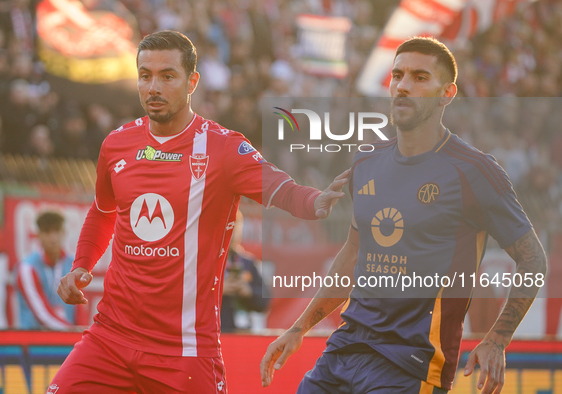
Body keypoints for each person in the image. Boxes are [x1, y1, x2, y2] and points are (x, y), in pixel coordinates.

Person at [50, 30, 348, 394]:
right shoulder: (117, 144)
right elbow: (102, 210)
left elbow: (278, 186)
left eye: (167, 76)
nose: (153, 87)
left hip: (185, 352)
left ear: (192, 81)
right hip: (110, 338)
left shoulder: (222, 147)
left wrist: (314, 201)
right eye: (145, 75)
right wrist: (82, 264)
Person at [260, 36, 547, 394]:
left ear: (448, 92)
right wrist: (299, 328)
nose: (404, 86)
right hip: (343, 352)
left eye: (420, 77)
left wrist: (497, 339)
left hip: (411, 366)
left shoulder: (475, 171)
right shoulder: (366, 161)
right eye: (398, 75)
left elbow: (533, 260)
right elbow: (351, 255)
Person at [16, 210, 75, 330]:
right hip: (34, 343)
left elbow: (80, 307)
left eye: (56, 231)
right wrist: (74, 333)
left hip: (68, 344)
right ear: (38, 235)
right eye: (47, 232)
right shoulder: (27, 268)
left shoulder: (73, 264)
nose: (53, 238)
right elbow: (41, 314)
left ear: (63, 233)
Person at [221, 211, 269, 333]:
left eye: (236, 228)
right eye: (229, 227)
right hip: (215, 332)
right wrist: (218, 290)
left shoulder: (248, 262)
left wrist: (248, 292)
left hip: (243, 333)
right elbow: (189, 295)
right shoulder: (205, 261)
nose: (232, 234)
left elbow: (265, 302)